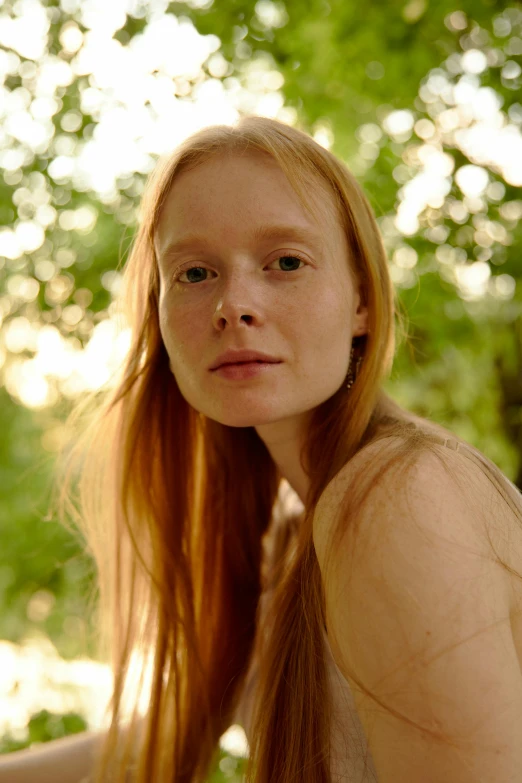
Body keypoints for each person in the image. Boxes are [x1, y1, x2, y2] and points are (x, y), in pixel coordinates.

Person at [3, 115, 522, 783]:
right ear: (158, 314)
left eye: (286, 262)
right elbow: (162, 737)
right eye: (194, 272)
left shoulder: (397, 497)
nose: (234, 304)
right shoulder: (287, 533)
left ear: (362, 300)